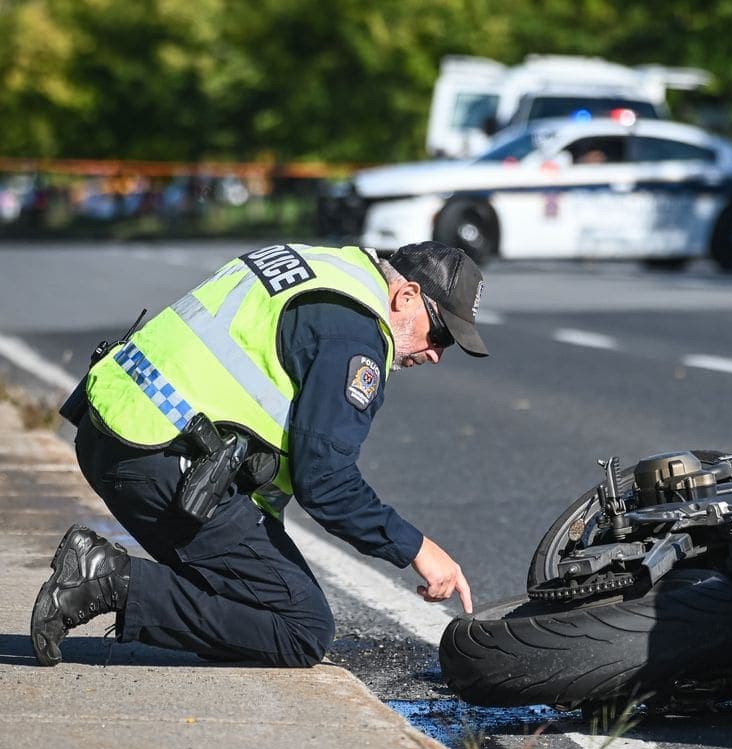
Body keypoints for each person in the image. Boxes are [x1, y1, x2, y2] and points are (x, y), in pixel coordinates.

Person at [31, 241, 488, 668]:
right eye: (442, 335)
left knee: (259, 589)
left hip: (115, 428)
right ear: (406, 295)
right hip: (161, 460)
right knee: (302, 628)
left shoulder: (326, 267)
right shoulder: (355, 335)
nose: (436, 356)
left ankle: (112, 579)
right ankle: (106, 578)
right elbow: (326, 482)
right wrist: (418, 549)